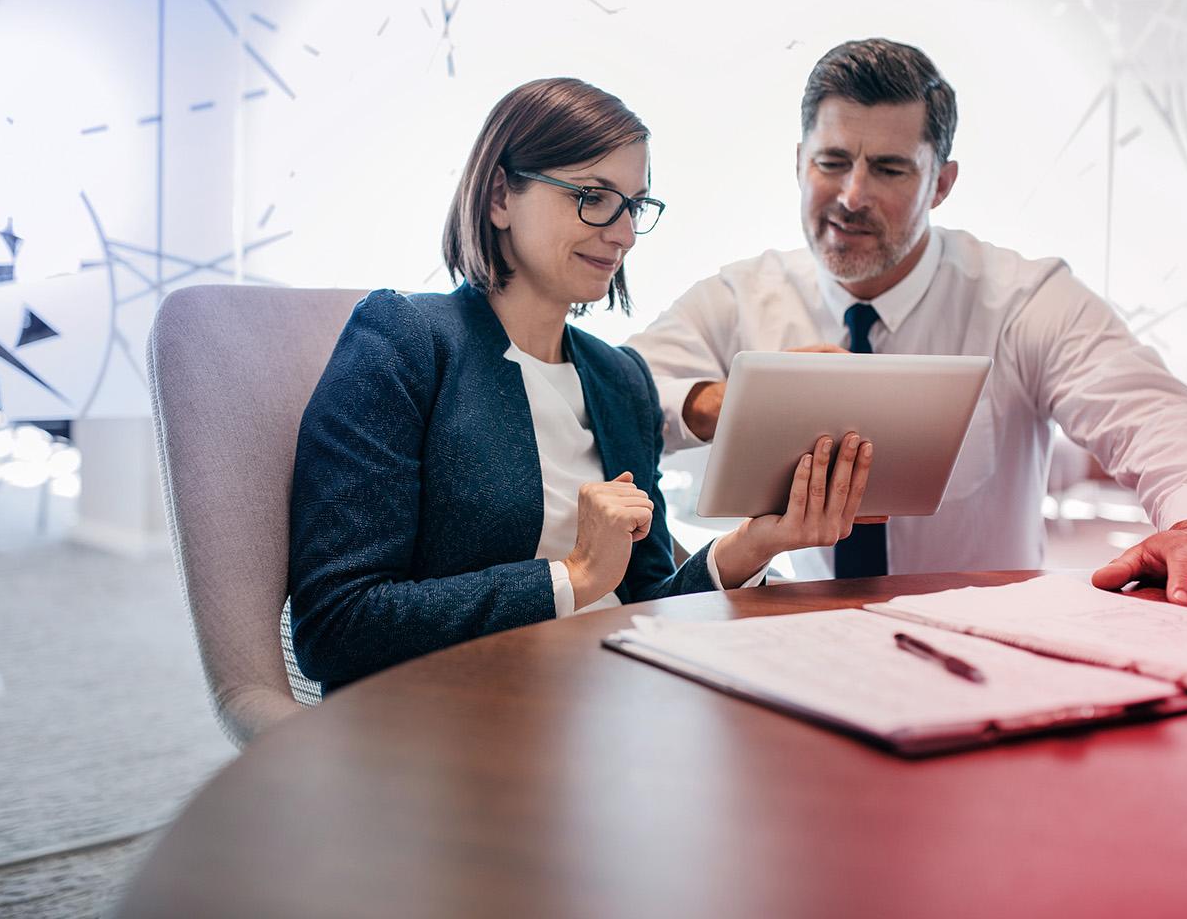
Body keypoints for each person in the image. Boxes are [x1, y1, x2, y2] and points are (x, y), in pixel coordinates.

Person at [627, 38, 1187, 617]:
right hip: (781, 649)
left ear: (941, 183)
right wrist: (721, 402)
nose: (852, 195)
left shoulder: (1020, 300)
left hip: (982, 659)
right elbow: (609, 393)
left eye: (889, 168)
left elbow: (1152, 413)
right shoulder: (739, 297)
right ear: (799, 161)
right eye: (831, 162)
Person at [289, 77, 880, 692]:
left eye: (634, 205)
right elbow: (335, 626)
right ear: (499, 197)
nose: (622, 233)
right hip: (465, 714)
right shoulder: (406, 340)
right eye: (594, 197)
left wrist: (751, 545)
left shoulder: (620, 379)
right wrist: (573, 575)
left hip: (614, 697)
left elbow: (648, 599)